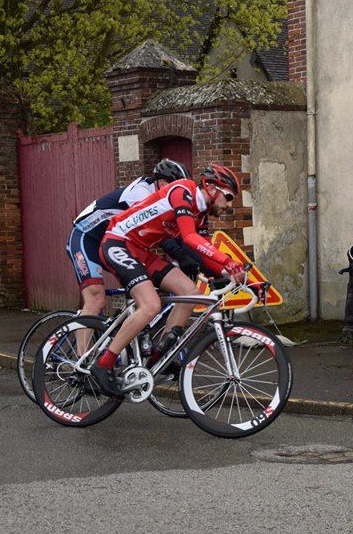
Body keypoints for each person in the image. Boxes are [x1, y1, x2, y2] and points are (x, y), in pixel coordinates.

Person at [91, 163, 246, 397]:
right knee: (151, 304)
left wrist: (230, 275)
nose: (229, 204)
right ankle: (103, 364)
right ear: (212, 188)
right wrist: (228, 261)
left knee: (191, 292)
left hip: (141, 250)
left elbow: (200, 253)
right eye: (228, 197)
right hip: (118, 242)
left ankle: (159, 354)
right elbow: (189, 237)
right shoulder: (182, 191)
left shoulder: (201, 215)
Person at [65, 158, 191, 317]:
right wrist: (180, 255)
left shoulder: (164, 199)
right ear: (162, 184)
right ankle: (86, 341)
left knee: (146, 290)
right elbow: (159, 233)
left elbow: (179, 232)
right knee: (96, 299)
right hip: (86, 238)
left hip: (116, 244)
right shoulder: (141, 192)